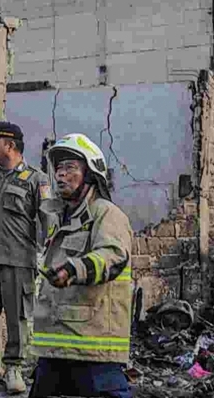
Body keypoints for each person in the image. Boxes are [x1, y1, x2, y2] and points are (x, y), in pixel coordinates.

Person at [29, 133, 133, 398]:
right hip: (55, 350)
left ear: (90, 173)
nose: (61, 174)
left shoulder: (106, 213)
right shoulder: (62, 219)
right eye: (59, 168)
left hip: (94, 354)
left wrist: (73, 270)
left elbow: (113, 256)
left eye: (70, 167)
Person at [0, 121, 56, 395]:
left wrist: (50, 254)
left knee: (18, 317)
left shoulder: (36, 180)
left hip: (19, 260)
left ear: (10, 145)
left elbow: (48, 219)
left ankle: (14, 367)